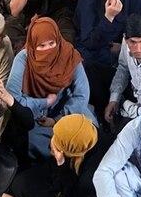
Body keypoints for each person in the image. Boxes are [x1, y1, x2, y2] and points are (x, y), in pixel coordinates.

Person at [6, 17, 96, 160]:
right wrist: (44, 103)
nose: (47, 50)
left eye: (51, 44)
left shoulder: (69, 56)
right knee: (30, 141)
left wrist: (57, 119)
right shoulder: (23, 58)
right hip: (36, 117)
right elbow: (13, 99)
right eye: (41, 46)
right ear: (33, 44)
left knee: (87, 133)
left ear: (58, 41)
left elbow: (81, 95)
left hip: (67, 112)